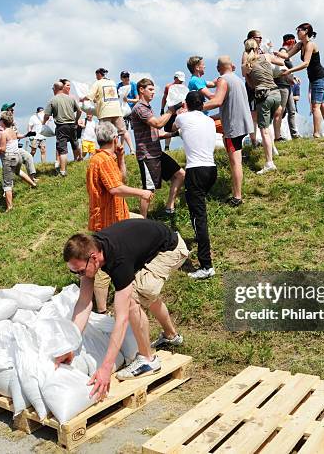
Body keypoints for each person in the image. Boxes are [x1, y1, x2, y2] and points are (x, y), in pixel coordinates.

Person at [62, 219, 189, 394]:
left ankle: (148, 360)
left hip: (170, 250)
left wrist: (106, 368)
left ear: (93, 258)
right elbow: (83, 304)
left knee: (132, 301)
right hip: (149, 248)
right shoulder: (91, 250)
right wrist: (69, 346)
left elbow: (121, 320)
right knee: (142, 294)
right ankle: (171, 335)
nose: (79, 275)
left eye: (81, 271)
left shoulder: (119, 260)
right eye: (74, 272)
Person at [86, 121, 153, 313]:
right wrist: (141, 193)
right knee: (103, 264)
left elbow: (120, 180)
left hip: (114, 215)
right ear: (115, 139)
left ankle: (132, 283)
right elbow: (116, 189)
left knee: (141, 226)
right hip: (109, 218)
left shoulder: (103, 158)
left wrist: (121, 158)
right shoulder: (103, 161)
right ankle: (101, 310)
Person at [175, 91, 217, 279]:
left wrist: (179, 112)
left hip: (196, 170)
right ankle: (203, 246)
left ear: (187, 104)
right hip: (211, 169)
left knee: (198, 217)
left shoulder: (183, 118)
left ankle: (206, 265)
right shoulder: (208, 121)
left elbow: (169, 126)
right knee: (198, 213)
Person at [202, 56, 254, 207]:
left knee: (235, 162)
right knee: (237, 161)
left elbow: (217, 101)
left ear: (218, 68)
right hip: (243, 124)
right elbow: (230, 106)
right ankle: (236, 193)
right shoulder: (238, 80)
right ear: (232, 66)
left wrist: (196, 107)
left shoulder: (222, 80)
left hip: (232, 128)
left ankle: (237, 197)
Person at [130, 78, 184, 217]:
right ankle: (143, 221)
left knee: (180, 174)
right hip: (147, 156)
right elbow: (158, 124)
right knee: (148, 191)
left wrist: (176, 133)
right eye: (151, 89)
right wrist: (171, 111)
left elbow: (156, 132)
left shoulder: (147, 108)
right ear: (141, 90)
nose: (154, 92)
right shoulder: (140, 108)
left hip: (156, 153)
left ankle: (169, 207)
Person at [279, 23, 324, 138]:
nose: (297, 33)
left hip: (320, 78)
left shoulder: (310, 45)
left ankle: (316, 133)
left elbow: (305, 63)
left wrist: (289, 71)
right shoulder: (300, 45)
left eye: (299, 30)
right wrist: (274, 53)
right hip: (313, 79)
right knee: (322, 106)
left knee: (315, 106)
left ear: (306, 31)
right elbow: (287, 55)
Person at [243, 39, 283, 174]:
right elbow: (282, 62)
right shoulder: (266, 56)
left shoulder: (247, 65)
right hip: (276, 93)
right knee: (268, 125)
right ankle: (272, 148)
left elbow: (250, 84)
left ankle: (269, 163)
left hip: (264, 95)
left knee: (264, 130)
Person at [83, 68, 135, 155]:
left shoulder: (98, 83)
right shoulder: (112, 82)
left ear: (99, 75)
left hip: (105, 112)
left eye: (96, 75)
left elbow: (89, 96)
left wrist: (82, 99)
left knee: (105, 134)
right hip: (117, 111)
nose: (96, 77)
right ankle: (129, 150)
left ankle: (107, 153)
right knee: (122, 131)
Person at [0, 112, 37, 212]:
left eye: (0, 120)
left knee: (7, 184)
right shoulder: (12, 131)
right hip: (17, 157)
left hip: (9, 158)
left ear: (3, 122)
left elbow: (3, 148)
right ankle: (33, 184)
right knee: (18, 172)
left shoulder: (4, 133)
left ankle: (9, 208)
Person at [44, 81, 82, 176]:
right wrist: (76, 120)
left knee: (63, 150)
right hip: (72, 125)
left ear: (56, 89)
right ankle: (80, 160)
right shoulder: (70, 99)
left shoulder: (52, 100)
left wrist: (43, 123)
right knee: (75, 143)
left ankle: (63, 171)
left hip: (61, 126)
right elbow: (79, 111)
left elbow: (47, 115)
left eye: (53, 89)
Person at [0, 103, 38, 182]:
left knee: (28, 157)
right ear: (5, 111)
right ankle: (6, 189)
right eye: (11, 109)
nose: (13, 111)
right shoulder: (1, 124)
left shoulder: (13, 123)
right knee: (10, 170)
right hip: (7, 150)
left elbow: (16, 135)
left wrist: (26, 135)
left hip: (16, 148)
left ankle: (32, 178)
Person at [277, 34, 301, 140]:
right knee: (281, 111)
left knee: (291, 110)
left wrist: (294, 76)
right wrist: (289, 77)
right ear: (291, 42)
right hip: (282, 85)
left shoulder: (287, 54)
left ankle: (294, 134)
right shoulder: (282, 52)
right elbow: (280, 67)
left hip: (287, 85)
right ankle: (279, 135)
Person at [160, 71, 186, 150]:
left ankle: (187, 146)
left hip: (180, 112)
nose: (181, 82)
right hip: (170, 112)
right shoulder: (168, 87)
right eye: (179, 80)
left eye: (182, 80)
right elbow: (164, 98)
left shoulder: (183, 87)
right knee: (168, 129)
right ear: (175, 78)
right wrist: (162, 109)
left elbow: (184, 100)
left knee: (184, 128)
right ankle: (167, 147)